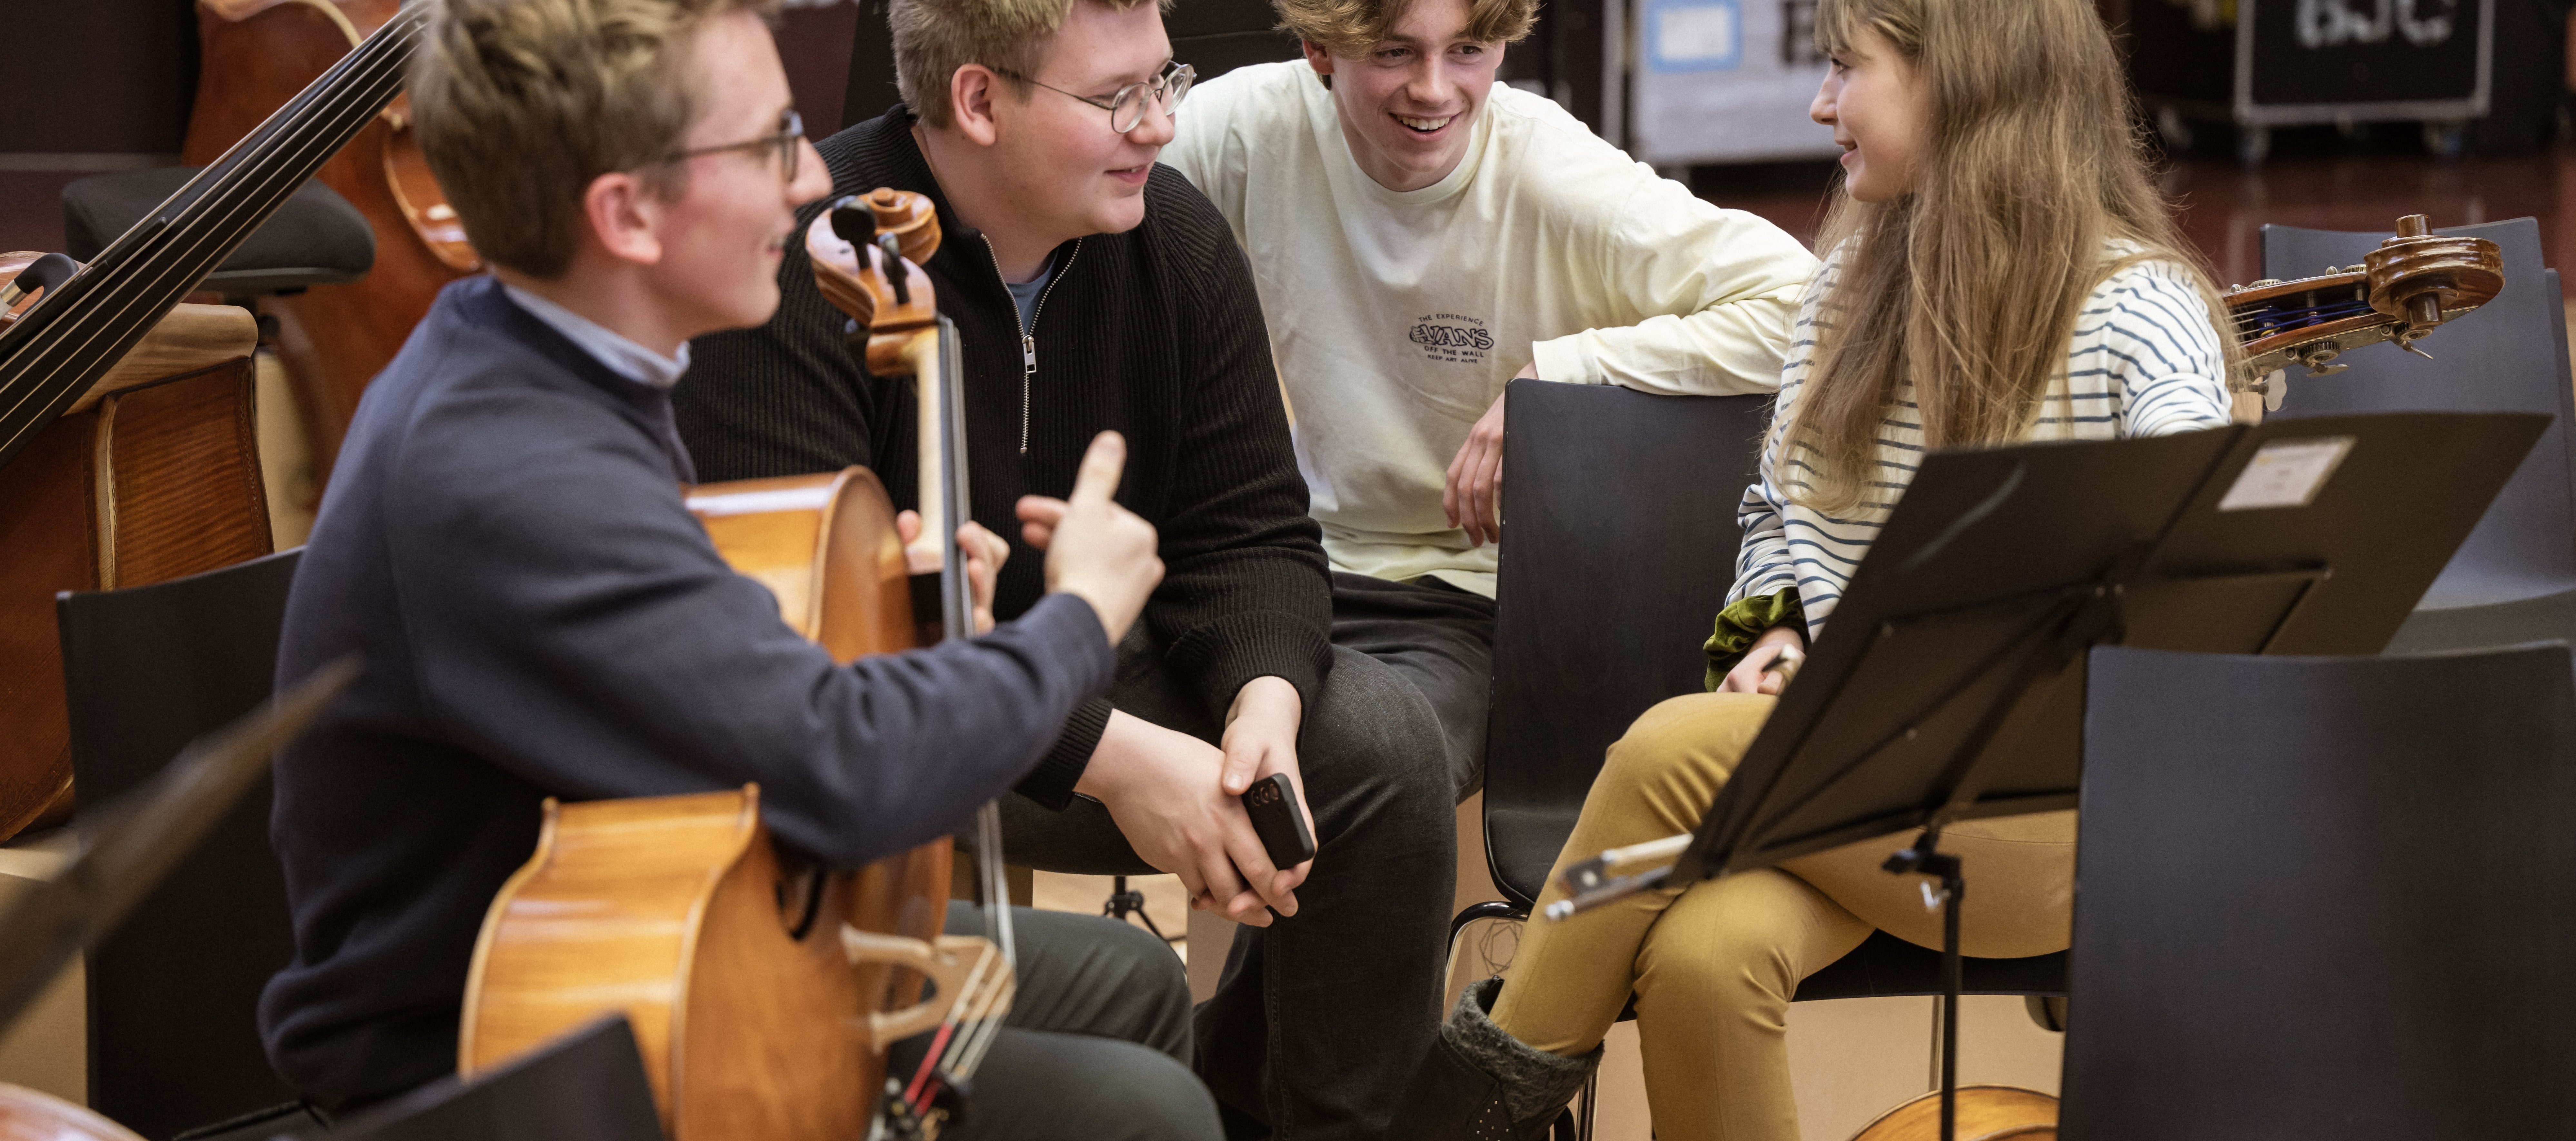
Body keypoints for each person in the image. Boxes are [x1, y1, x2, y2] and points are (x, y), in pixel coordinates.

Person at [261, 3, 1217, 1137]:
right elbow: (847, 770)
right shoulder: (509, 470)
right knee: (1143, 1112)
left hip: (675, 917)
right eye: (767, 142)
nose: (808, 175)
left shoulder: (560, 358)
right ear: (627, 214)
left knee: (1132, 978)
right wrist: (1076, 616)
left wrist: (914, 624)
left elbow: (687, 680)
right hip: (518, 1049)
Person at [1382, 0, 2241, 1136]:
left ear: (1963, 81)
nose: (1819, 101)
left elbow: (2201, 575)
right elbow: (1776, 515)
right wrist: (1772, 634)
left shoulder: (2141, 307)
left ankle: (1462, 1113)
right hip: (1848, 793)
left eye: (1846, 69)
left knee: (1660, 750)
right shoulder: (1844, 289)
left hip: (2046, 816)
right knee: (1700, 952)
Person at [668, 0, 1459, 1134]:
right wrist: (1113, 757)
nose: (1162, 126)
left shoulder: (1172, 239)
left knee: (1375, 751)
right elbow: (807, 653)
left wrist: (1263, 697)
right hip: (898, 706)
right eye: (1116, 99)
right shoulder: (811, 258)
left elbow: (1251, 528)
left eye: (1165, 81)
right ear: (979, 100)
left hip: (1085, 660)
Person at [1160, 0, 1819, 797]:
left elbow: (1804, 305)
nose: (1434, 89)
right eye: (1397, 52)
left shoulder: (1554, 175)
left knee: (1361, 774)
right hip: (1292, 560)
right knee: (1096, 724)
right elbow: (1092, 186)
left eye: (1468, 49)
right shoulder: (1241, 126)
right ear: (1320, 49)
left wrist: (1568, 369)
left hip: (1470, 589)